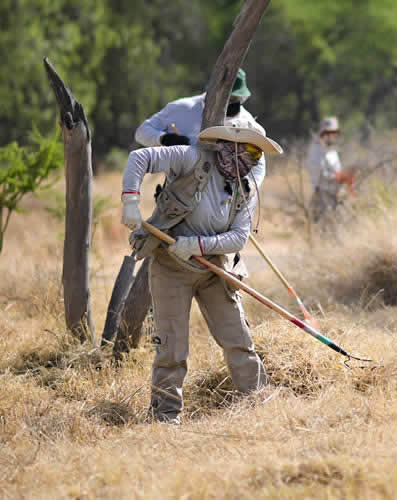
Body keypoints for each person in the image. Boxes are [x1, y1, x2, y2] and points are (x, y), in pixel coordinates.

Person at [120, 123, 282, 424]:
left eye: (257, 154)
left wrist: (197, 245)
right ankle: (165, 418)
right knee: (172, 348)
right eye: (248, 150)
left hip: (214, 271)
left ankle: (261, 405)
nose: (252, 160)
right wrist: (130, 200)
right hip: (171, 268)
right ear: (227, 146)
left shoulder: (246, 187)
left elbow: (238, 238)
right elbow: (138, 159)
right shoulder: (190, 157)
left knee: (238, 340)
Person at [134, 68, 268, 187]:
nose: (230, 103)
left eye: (235, 99)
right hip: (177, 195)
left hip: (223, 202)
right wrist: (164, 139)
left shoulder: (247, 122)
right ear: (212, 91)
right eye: (226, 97)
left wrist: (247, 188)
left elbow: (259, 164)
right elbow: (141, 132)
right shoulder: (182, 108)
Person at [306, 116, 356, 222]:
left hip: (335, 196)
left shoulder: (332, 150)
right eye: (329, 133)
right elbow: (320, 174)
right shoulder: (315, 150)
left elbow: (336, 170)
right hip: (322, 198)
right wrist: (340, 176)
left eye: (334, 133)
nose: (332, 136)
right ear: (323, 134)